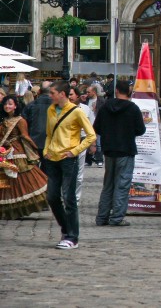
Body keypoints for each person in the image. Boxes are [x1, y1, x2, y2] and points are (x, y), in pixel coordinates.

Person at [44, 81, 96, 250]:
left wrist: (75, 151)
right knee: (52, 196)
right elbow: (49, 134)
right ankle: (66, 228)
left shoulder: (77, 112)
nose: (50, 95)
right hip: (52, 157)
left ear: (62, 94)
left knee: (69, 197)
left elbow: (91, 136)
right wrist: (46, 150)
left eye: (53, 93)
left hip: (68, 159)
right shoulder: (51, 110)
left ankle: (72, 236)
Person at [94, 80, 146, 226]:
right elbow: (141, 130)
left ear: (116, 90)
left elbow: (97, 127)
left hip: (109, 149)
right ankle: (117, 217)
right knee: (122, 183)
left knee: (108, 183)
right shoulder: (133, 108)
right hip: (126, 149)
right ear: (128, 92)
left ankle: (102, 216)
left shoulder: (105, 107)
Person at [0, 95, 48, 219]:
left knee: (20, 177)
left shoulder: (20, 120)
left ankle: (20, 206)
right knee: (6, 179)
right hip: (4, 151)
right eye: (5, 104)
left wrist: (34, 148)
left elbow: (25, 136)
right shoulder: (3, 120)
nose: (7, 106)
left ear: (16, 106)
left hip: (17, 151)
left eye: (10, 104)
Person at [68, 86, 96, 204]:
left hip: (81, 141)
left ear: (78, 96)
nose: (70, 97)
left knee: (79, 173)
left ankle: (76, 198)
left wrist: (93, 144)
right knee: (67, 172)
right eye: (68, 94)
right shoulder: (62, 108)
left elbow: (91, 126)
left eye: (71, 94)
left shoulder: (85, 109)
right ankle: (66, 196)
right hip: (66, 142)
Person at [22, 80, 53, 171]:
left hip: (32, 141)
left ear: (39, 91)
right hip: (50, 143)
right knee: (48, 171)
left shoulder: (31, 105)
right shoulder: (57, 106)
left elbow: (23, 123)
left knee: (33, 171)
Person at [85, 84, 104, 167]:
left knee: (98, 143)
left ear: (94, 92)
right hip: (87, 124)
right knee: (87, 143)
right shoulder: (85, 100)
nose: (87, 93)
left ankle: (99, 160)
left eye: (88, 92)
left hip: (98, 124)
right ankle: (88, 160)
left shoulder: (101, 101)